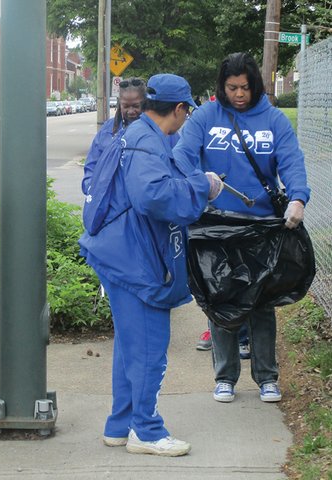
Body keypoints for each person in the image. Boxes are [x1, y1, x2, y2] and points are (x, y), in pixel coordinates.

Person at [79, 74, 223, 457]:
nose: (186, 119)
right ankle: (146, 430)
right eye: (187, 111)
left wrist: (194, 180)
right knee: (148, 348)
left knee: (130, 345)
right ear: (178, 109)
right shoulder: (147, 142)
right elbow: (153, 196)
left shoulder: (136, 134)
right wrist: (202, 188)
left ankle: (119, 424)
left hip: (118, 252)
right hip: (134, 260)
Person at [173, 52, 310, 404]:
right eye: (232, 88)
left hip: (262, 225)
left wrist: (297, 198)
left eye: (245, 88)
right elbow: (184, 154)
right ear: (223, 86)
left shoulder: (274, 120)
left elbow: (291, 160)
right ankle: (225, 377)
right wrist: (197, 182)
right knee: (221, 299)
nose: (239, 94)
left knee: (261, 302)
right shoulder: (206, 116)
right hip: (216, 224)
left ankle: (267, 377)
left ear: (255, 85)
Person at [81, 78, 147, 194]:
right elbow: (92, 165)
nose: (131, 111)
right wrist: (92, 189)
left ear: (145, 103)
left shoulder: (156, 129)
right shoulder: (108, 129)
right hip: (109, 206)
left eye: (136, 106)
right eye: (125, 106)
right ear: (119, 104)